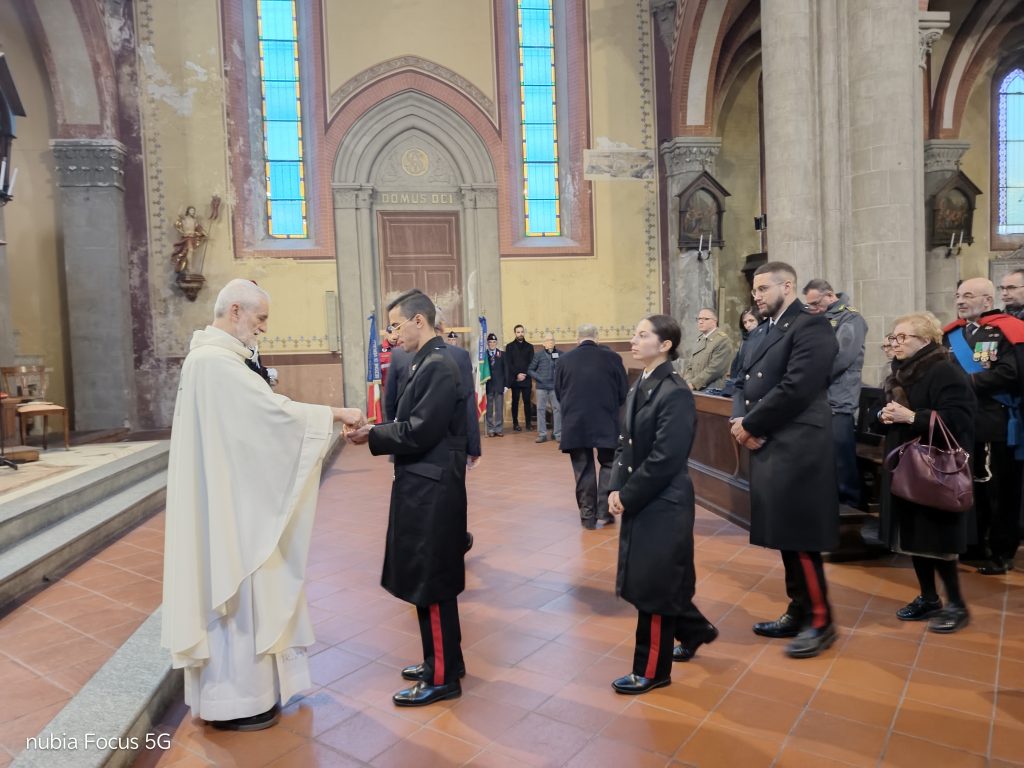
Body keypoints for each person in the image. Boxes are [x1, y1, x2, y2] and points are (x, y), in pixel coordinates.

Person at [161, 279, 364, 732]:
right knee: (238, 593)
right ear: (235, 310)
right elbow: (273, 416)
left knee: (253, 591)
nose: (264, 328)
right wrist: (336, 413)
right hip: (232, 507)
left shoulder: (220, 359)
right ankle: (237, 702)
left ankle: (255, 695)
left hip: (239, 493)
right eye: (261, 318)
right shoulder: (214, 363)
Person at [347, 289, 469, 707]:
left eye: (396, 326)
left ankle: (442, 677)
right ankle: (445, 660)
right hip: (425, 483)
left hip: (432, 488)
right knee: (429, 577)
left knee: (431, 581)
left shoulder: (438, 365)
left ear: (420, 320)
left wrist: (372, 434)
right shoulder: (425, 361)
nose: (392, 335)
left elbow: (420, 430)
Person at [731, 261, 840, 659]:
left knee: (801, 535)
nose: (756, 296)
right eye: (754, 290)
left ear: (787, 286)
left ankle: (821, 620)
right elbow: (742, 380)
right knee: (786, 535)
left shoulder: (811, 326)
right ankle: (799, 608)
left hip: (798, 443)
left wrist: (751, 424)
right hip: (772, 439)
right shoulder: (764, 330)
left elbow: (797, 387)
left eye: (763, 289)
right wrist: (739, 420)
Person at [606, 314, 716, 694]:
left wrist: (628, 494)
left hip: (664, 501)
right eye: (634, 334)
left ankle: (652, 670)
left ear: (665, 344)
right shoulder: (641, 383)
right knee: (652, 579)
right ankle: (694, 629)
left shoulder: (675, 392)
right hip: (643, 497)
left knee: (653, 587)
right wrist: (614, 487)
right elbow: (625, 444)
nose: (633, 341)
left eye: (642, 335)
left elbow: (666, 458)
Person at [876, 312, 976, 633]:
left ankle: (957, 604)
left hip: (936, 467)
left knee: (939, 539)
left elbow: (960, 418)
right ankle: (929, 597)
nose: (896, 343)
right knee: (915, 536)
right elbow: (895, 413)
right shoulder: (900, 372)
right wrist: (884, 415)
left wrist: (911, 417)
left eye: (903, 337)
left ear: (926, 340)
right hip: (907, 465)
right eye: (893, 337)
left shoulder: (944, 370)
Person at [943, 277, 1024, 575]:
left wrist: (961, 383)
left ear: (987, 301)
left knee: (997, 489)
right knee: (968, 486)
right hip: (960, 423)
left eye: (968, 295)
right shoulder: (952, 334)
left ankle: (1000, 551)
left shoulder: (1006, 330)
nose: (960, 301)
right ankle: (973, 545)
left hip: (994, 422)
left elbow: (1010, 373)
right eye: (958, 295)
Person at [802, 279, 869, 508]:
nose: (813, 308)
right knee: (824, 456)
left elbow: (841, 357)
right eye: (810, 305)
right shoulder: (819, 317)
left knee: (841, 456)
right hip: (819, 397)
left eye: (816, 303)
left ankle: (850, 504)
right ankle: (830, 502)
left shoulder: (851, 318)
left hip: (839, 396)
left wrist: (810, 379)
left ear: (830, 295)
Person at [555, 323, 628, 529]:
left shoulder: (564, 360)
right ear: (598, 337)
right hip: (606, 419)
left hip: (575, 422)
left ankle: (587, 516)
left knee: (582, 468)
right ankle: (605, 510)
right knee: (608, 464)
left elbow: (558, 392)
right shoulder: (613, 358)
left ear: (577, 338)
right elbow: (623, 392)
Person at [682, 308, 733, 391]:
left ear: (715, 321)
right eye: (699, 319)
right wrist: (687, 382)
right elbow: (690, 366)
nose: (701, 322)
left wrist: (693, 384)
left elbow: (715, 369)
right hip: (694, 389)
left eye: (706, 319)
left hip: (711, 390)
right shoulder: (700, 339)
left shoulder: (722, 340)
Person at [528, 332, 561, 443]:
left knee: (557, 409)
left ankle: (557, 434)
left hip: (555, 387)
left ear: (554, 342)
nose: (550, 342)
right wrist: (539, 378)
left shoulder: (561, 354)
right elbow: (530, 370)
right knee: (540, 409)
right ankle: (542, 434)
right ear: (543, 343)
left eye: (552, 340)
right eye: (547, 340)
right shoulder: (538, 355)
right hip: (541, 387)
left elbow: (564, 369)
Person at [505, 324, 534, 432]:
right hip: (515, 379)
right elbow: (509, 363)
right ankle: (515, 423)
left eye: (522, 332)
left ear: (524, 332)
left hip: (526, 379)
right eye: (518, 332)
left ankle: (528, 424)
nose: (520, 334)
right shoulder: (509, 347)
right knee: (515, 401)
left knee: (527, 402)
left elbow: (532, 363)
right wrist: (517, 374)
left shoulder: (530, 347)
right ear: (515, 333)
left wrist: (524, 374)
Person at [171, 205, 207, 274]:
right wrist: (181, 204)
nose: (193, 211)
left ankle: (188, 266)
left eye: (194, 210)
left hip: (193, 238)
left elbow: (199, 228)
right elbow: (179, 214)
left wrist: (204, 233)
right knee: (190, 250)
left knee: (190, 252)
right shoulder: (185, 218)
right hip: (187, 238)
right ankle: (189, 267)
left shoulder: (194, 220)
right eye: (191, 210)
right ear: (188, 211)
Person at [484, 333, 506, 437]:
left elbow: (506, 370)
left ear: (496, 343)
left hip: (499, 385)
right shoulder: (484, 355)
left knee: (499, 409)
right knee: (489, 409)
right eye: (490, 342)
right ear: (487, 343)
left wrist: (506, 385)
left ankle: (498, 428)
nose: (492, 344)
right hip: (488, 386)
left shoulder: (502, 354)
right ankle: (490, 429)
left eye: (494, 342)